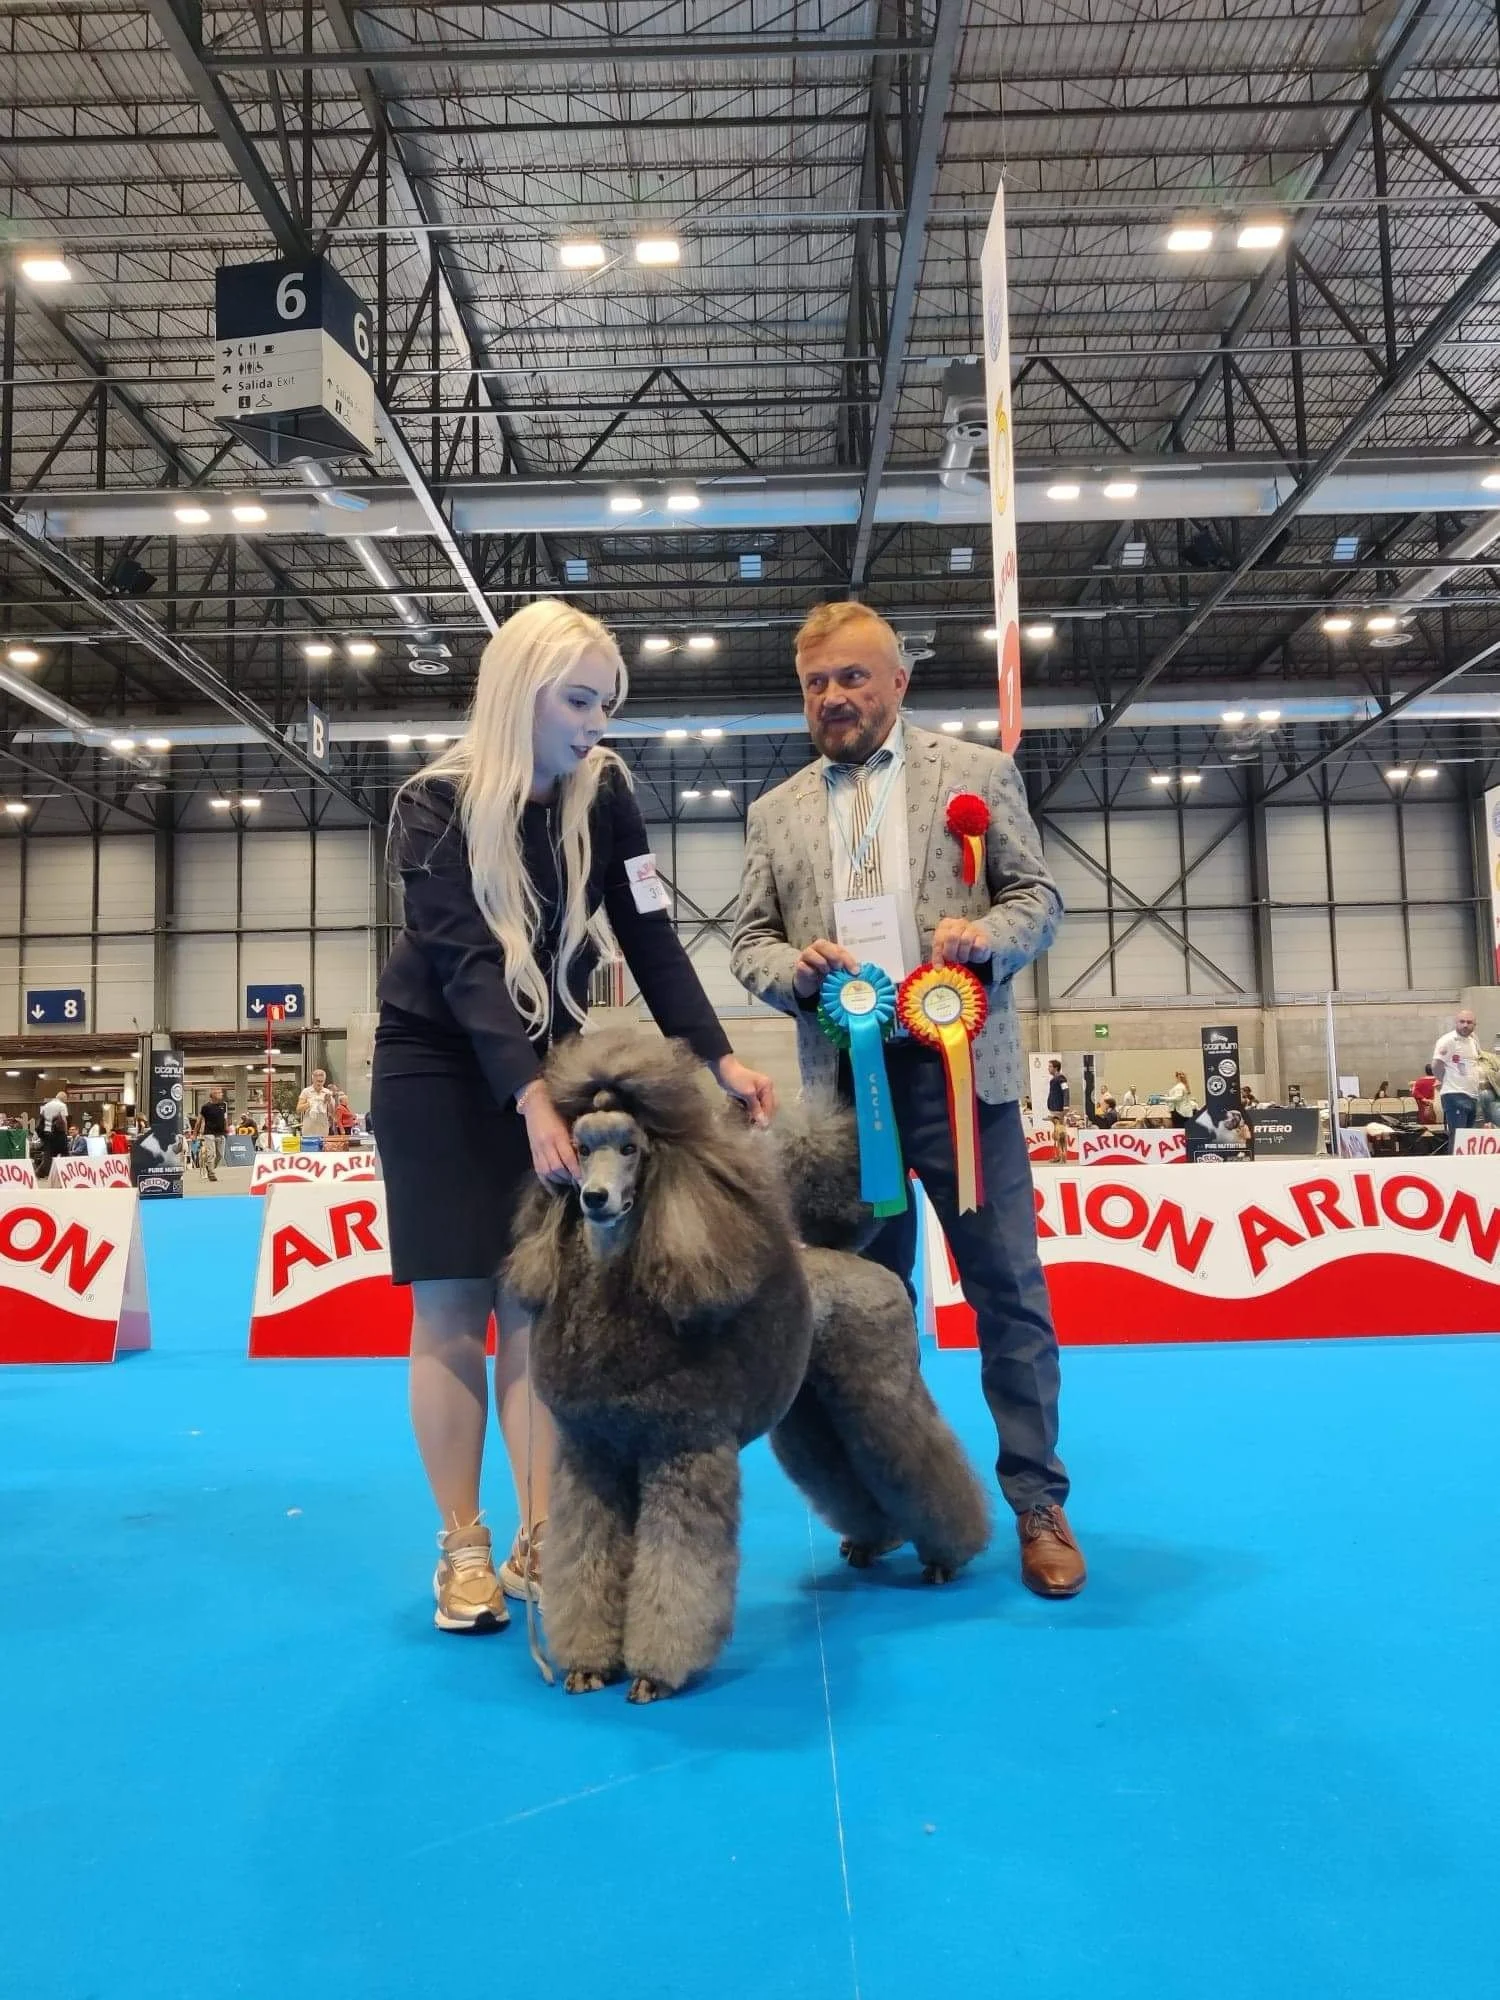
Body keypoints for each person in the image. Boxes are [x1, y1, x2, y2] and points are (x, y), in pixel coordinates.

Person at [373, 598, 775, 1634]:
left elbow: (649, 933)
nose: (599, 718)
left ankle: (543, 1533)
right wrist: (528, 1095)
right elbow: (467, 964)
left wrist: (715, 1052)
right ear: (523, 691)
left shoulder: (609, 795)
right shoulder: (432, 804)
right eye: (582, 698)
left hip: (547, 1061)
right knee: (453, 1311)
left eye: (608, 699)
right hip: (439, 1067)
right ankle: (461, 1542)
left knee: (535, 1311)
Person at [730, 600, 1085, 1599]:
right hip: (841, 1096)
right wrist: (797, 970)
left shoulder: (975, 775)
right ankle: (887, 1499)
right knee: (855, 1313)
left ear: (897, 681)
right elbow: (745, 940)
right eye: (816, 683)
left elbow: (1040, 898)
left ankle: (1037, 1501)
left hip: (966, 1070)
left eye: (852, 676)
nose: (834, 697)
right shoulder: (777, 809)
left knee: (1008, 1294)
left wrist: (989, 940)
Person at [1432, 1008, 1482, 1147]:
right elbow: (1436, 1065)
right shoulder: (1448, 1040)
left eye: (1469, 1022)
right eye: (1462, 1021)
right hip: (1454, 1095)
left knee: (1468, 1141)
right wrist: (1446, 1081)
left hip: (1472, 1095)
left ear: (1474, 1025)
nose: (1465, 1025)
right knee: (1458, 1139)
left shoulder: (1473, 1041)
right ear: (1456, 1023)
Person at [195, 1086, 229, 1181]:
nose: (221, 1094)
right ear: (212, 1095)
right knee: (211, 1153)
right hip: (209, 1133)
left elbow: (225, 1118)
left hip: (220, 1133)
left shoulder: (223, 1105)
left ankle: (209, 1167)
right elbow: (199, 1120)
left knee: (220, 1155)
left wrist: (226, 1128)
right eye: (218, 1092)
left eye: (221, 1092)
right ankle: (211, 1173)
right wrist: (195, 1134)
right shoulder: (206, 1107)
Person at [296, 1069, 337, 1140]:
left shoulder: (327, 1092)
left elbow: (333, 1113)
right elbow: (298, 1109)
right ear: (313, 1080)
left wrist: (330, 1102)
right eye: (318, 1081)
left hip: (323, 1128)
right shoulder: (306, 1091)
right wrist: (310, 1103)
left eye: (322, 1081)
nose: (319, 1083)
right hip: (309, 1127)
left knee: (322, 1148)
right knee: (309, 1148)